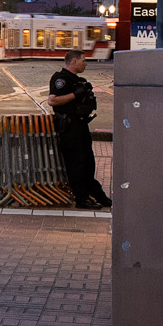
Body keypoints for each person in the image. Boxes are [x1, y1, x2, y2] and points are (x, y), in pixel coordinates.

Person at [46, 48, 110, 208]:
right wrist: (76, 94)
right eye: (83, 60)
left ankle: (97, 195)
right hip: (69, 128)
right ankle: (82, 199)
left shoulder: (77, 80)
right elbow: (52, 101)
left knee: (88, 163)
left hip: (81, 125)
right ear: (73, 62)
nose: (86, 63)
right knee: (76, 164)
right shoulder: (61, 79)